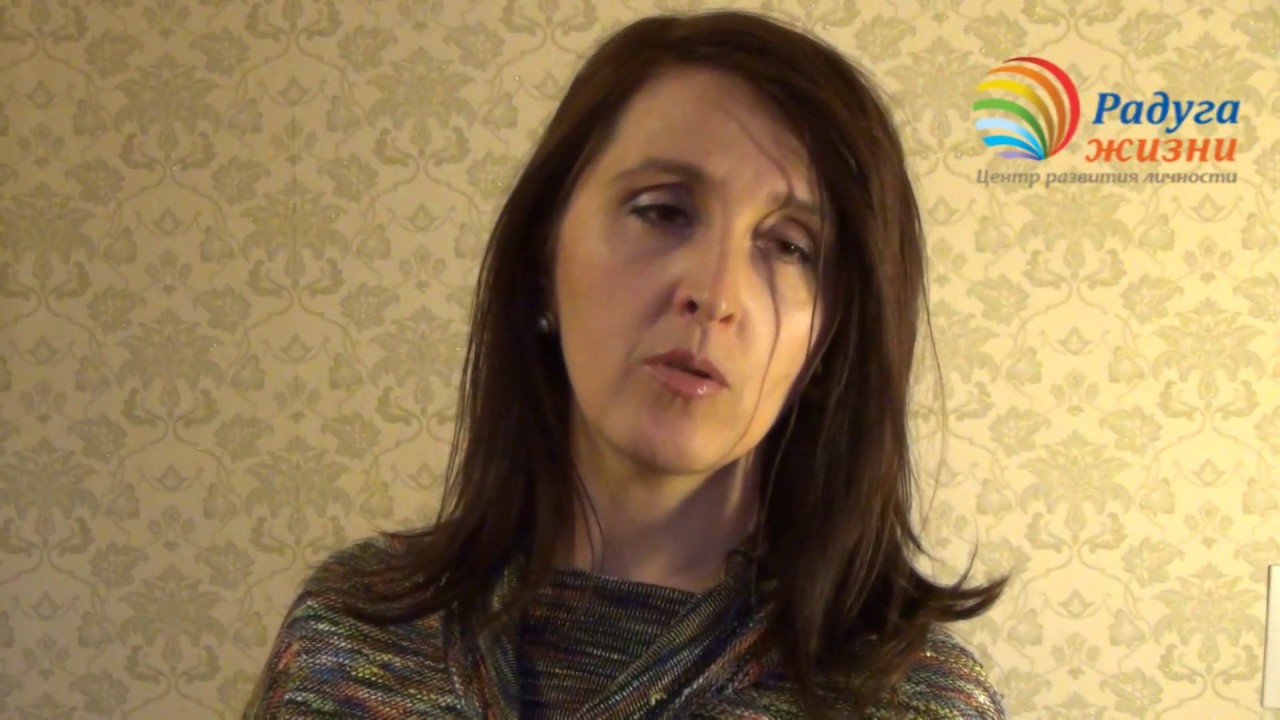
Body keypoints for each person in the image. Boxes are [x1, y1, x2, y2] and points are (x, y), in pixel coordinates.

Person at [245, 9, 1010, 719]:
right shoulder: (349, 637)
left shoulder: (914, 701)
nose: (715, 294)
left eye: (789, 247)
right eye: (662, 210)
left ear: (833, 337)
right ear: (544, 256)